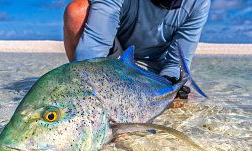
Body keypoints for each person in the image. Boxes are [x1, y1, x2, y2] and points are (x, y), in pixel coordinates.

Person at [63, 0, 210, 99]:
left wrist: (169, 84)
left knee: (186, 100)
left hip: (154, 71)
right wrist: (86, 90)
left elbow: (174, 64)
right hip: (112, 61)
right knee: (77, 12)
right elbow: (94, 46)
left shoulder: (199, 3)